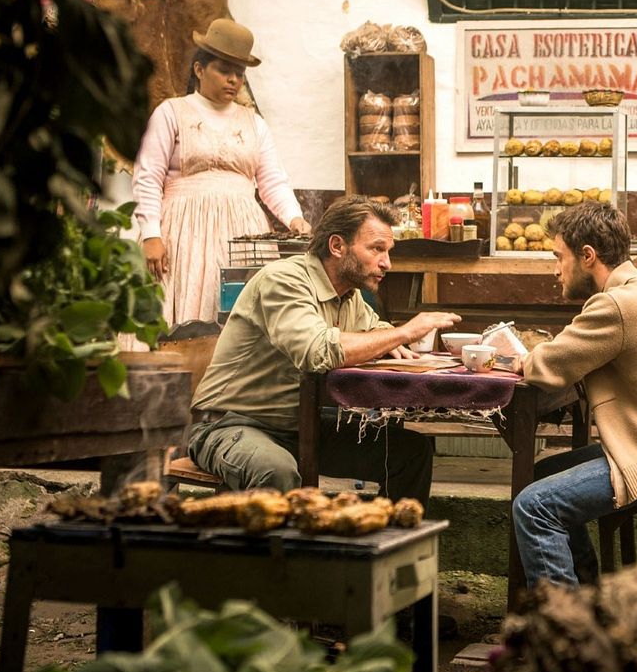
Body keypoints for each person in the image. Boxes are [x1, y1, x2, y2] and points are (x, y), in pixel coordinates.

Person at [186, 196, 460, 501]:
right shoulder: (283, 280)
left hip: (302, 426)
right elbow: (316, 351)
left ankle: (390, 545)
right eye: (376, 249)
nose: (387, 263)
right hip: (231, 424)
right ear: (337, 246)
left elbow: (375, 331)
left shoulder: (349, 295)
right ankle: (286, 550)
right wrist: (404, 332)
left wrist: (393, 340)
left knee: (410, 453)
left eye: (388, 251)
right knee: (275, 470)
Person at [512, 202, 637, 587]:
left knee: (534, 505)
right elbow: (572, 353)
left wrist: (519, 356)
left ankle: (566, 633)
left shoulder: (616, 304)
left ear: (587, 256)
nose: (556, 270)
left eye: (559, 257)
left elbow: (547, 365)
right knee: (539, 474)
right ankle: (586, 603)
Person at [132, 18, 310, 326]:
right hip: (183, 232)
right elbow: (148, 176)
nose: (233, 80)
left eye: (239, 74)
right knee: (181, 321)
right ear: (200, 70)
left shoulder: (253, 122)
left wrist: (294, 218)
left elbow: (272, 181)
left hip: (242, 237)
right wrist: (151, 234)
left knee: (242, 318)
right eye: (224, 70)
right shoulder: (171, 112)